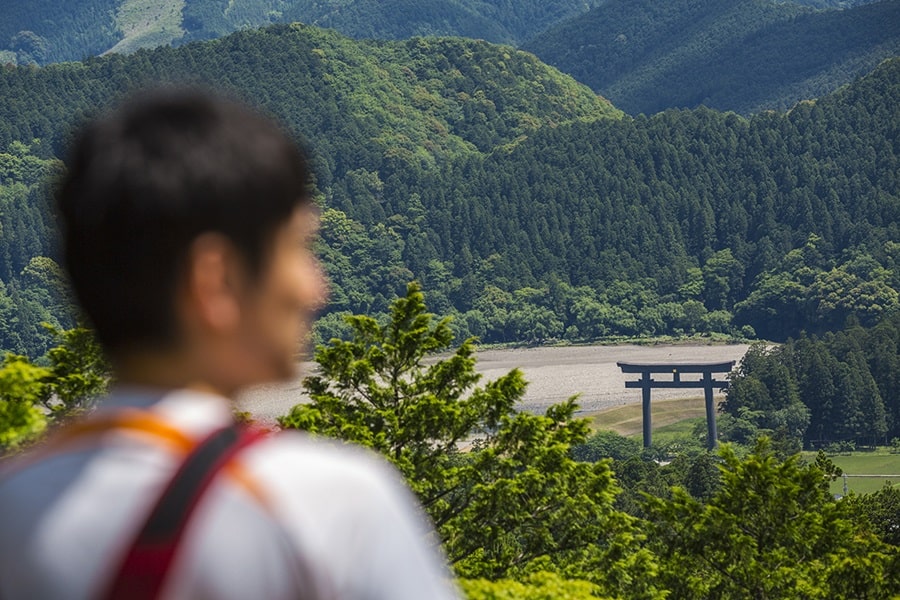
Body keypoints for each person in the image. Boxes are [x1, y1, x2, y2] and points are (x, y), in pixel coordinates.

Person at [0, 88, 460, 600]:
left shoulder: (13, 502)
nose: (317, 288)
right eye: (300, 248)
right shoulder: (328, 503)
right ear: (214, 280)